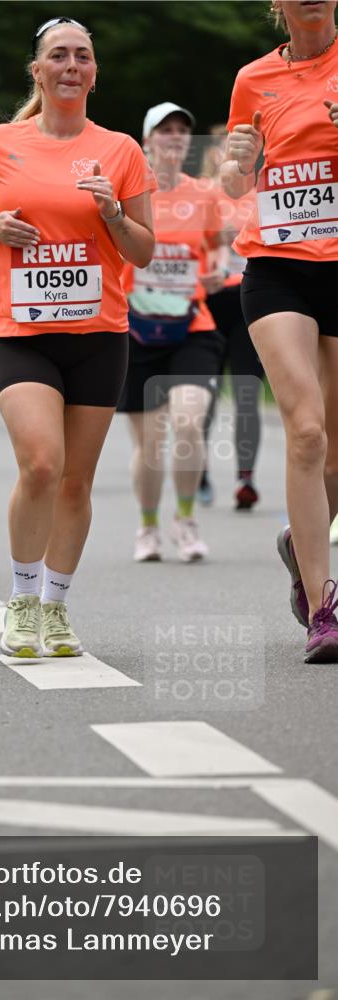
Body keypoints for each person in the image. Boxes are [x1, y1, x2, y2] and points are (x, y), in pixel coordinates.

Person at [0, 16, 155, 657]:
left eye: (82, 56)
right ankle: (20, 598)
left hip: (98, 333)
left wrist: (113, 214)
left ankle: (55, 609)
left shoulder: (121, 150)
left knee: (76, 483)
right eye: (58, 56)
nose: (70, 65)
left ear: (94, 72)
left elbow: (143, 251)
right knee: (41, 463)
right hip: (21, 333)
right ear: (37, 70)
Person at [222, 0, 338, 662]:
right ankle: (324, 608)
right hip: (277, 266)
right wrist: (240, 159)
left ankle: (301, 546)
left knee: (336, 453)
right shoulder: (251, 79)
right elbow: (236, 179)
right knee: (306, 429)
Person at [118, 103, 228, 563]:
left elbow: (220, 248)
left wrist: (217, 272)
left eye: (183, 130)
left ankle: (185, 521)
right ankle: (147, 527)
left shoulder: (204, 194)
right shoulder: (126, 196)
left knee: (187, 422)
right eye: (166, 130)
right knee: (149, 444)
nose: (176, 136)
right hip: (136, 329)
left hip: (192, 326)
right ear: (147, 141)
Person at [199, 126, 265, 510]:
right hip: (209, 302)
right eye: (220, 145)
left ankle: (246, 479)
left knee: (246, 393)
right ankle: (201, 471)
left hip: (249, 301)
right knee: (203, 397)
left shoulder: (261, 191)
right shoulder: (200, 194)